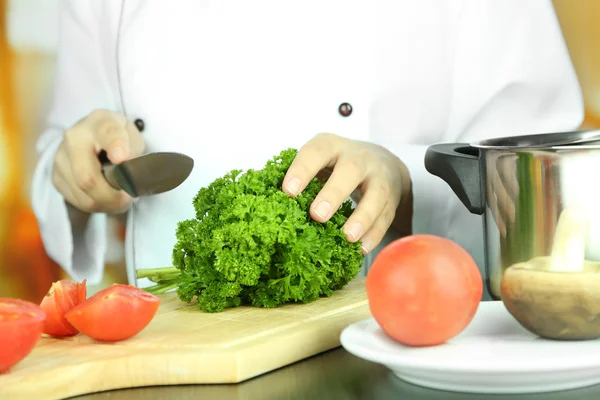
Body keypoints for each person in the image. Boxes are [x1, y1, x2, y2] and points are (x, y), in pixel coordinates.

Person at [31, 0, 583, 296]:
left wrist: (405, 175)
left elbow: (550, 177)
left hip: (404, 343)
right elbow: (64, 143)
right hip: (171, 350)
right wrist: (73, 168)